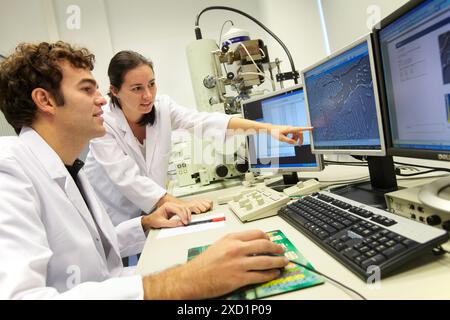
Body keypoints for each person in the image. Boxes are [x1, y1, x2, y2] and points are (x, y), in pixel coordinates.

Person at [0, 41, 289, 299]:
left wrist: (144, 224)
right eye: (87, 89)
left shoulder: (68, 168)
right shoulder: (8, 169)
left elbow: (99, 255)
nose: (100, 99)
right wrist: (180, 282)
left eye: (151, 85)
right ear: (45, 100)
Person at [84, 50, 311, 240]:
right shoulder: (102, 122)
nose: (148, 95)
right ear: (115, 90)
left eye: (151, 84)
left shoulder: (162, 107)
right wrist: (181, 204)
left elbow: (205, 121)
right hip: (114, 217)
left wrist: (269, 129)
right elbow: (127, 179)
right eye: (137, 88)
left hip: (152, 211)